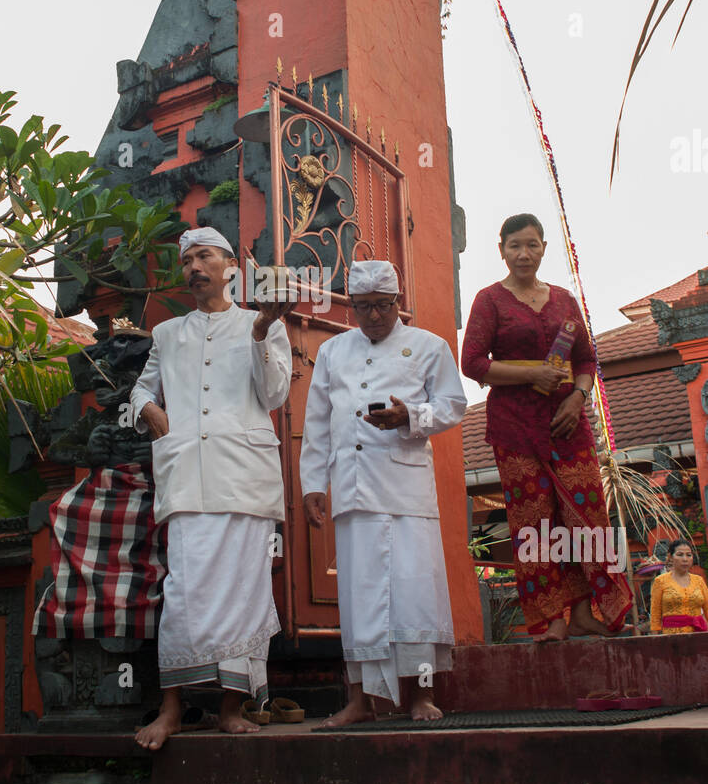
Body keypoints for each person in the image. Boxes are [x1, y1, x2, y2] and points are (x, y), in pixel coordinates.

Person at [129, 227, 291, 749]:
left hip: (244, 475)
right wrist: (147, 408)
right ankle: (172, 707)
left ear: (229, 267)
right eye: (187, 260)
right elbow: (141, 387)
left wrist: (265, 331)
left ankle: (232, 706)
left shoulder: (258, 323)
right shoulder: (166, 334)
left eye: (205, 257)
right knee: (183, 592)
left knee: (245, 591)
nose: (195, 267)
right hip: (186, 480)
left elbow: (274, 393)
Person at [299, 259, 467, 726]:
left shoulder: (429, 346)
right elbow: (316, 423)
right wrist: (313, 482)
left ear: (398, 303)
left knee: (417, 593)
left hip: (406, 487)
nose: (373, 316)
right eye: (363, 307)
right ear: (352, 306)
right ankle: (359, 700)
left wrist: (410, 417)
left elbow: (453, 406)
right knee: (360, 595)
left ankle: (422, 695)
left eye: (382, 306)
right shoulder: (333, 352)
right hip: (352, 487)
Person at [461, 213, 633, 641]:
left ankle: (584, 612)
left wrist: (578, 397)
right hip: (516, 430)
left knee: (587, 518)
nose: (524, 253)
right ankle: (552, 619)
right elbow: (472, 363)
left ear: (543, 248)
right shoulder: (489, 300)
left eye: (532, 245)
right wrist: (531, 375)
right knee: (536, 524)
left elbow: (587, 359)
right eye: (515, 245)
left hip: (568, 424)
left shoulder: (563, 300)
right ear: (501, 249)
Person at [650, 539, 708, 634]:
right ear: (670, 557)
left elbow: (707, 608)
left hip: (698, 634)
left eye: (688, 555)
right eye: (680, 555)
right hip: (672, 638)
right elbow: (655, 613)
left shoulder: (699, 581)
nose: (685, 559)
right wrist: (655, 639)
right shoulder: (660, 581)